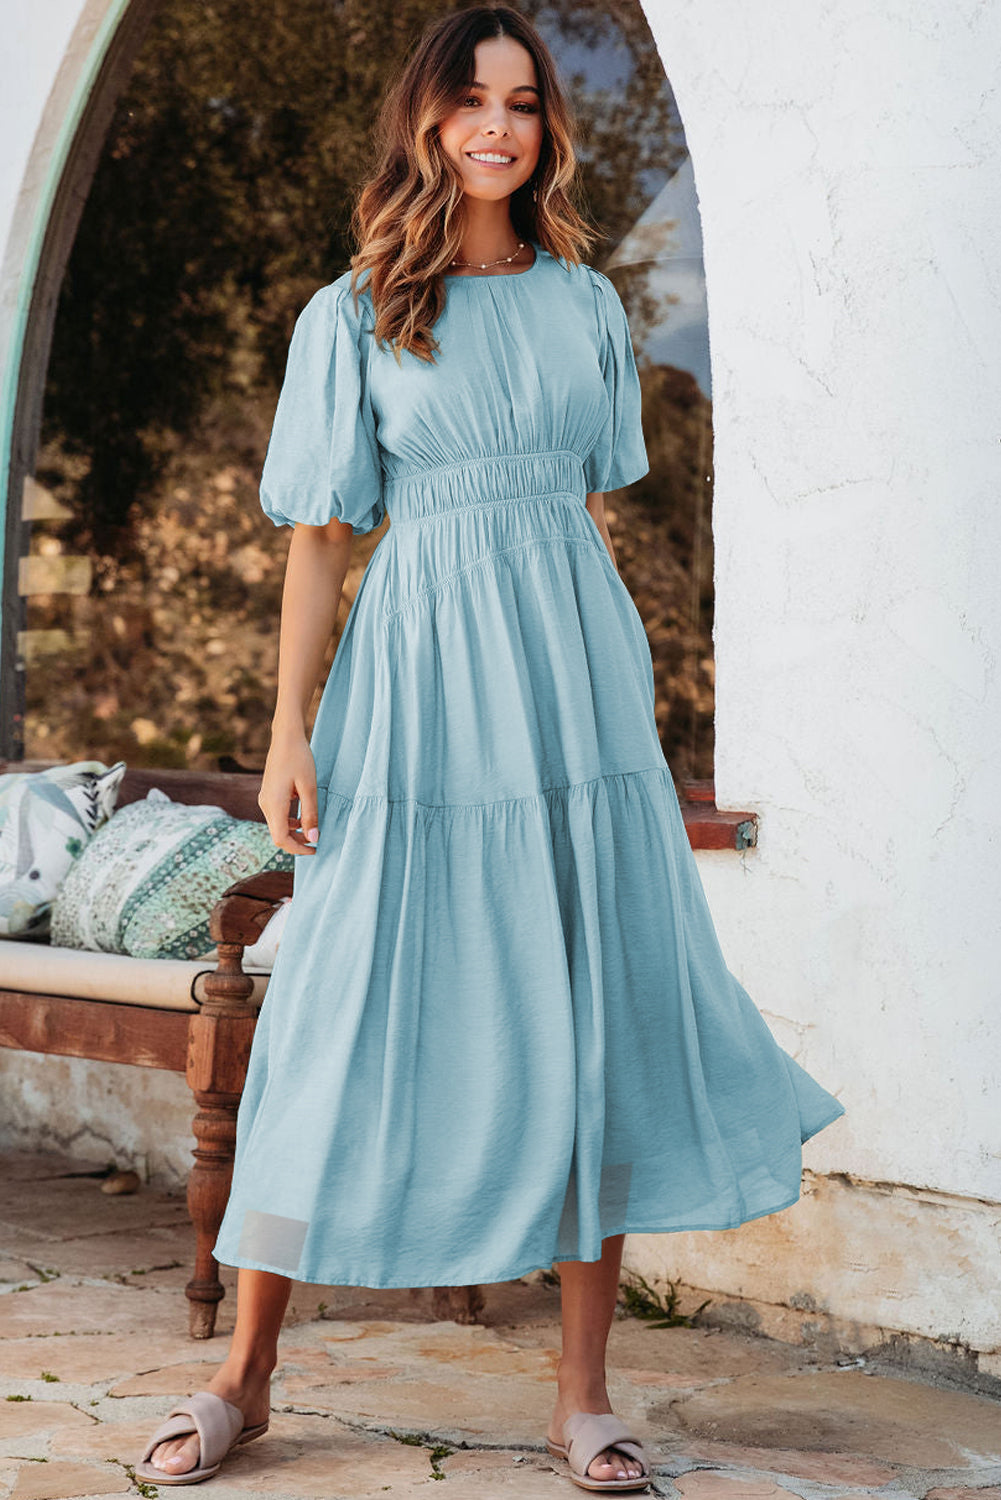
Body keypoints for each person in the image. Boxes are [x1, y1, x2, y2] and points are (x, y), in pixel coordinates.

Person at [137, 4, 845, 1491]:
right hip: (411, 684)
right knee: (341, 1002)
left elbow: (582, 508)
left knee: (588, 1001)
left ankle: (583, 1395)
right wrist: (288, 737)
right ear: (423, 119)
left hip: (572, 681)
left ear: (545, 129)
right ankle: (245, 1373)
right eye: (471, 100)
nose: (498, 126)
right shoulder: (350, 312)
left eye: (523, 101)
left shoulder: (587, 304)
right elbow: (321, 542)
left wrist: (607, 688)